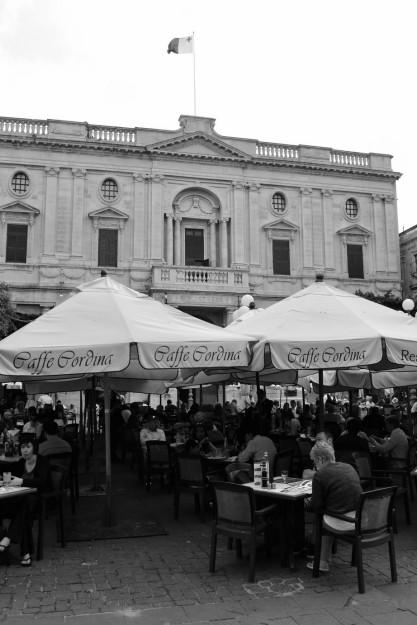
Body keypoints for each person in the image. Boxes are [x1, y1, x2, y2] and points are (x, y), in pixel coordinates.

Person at [305, 441, 362, 573]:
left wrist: (305, 502)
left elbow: (316, 506)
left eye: (314, 461)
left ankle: (321, 561)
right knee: (328, 511)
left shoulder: (321, 475)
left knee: (322, 515)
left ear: (320, 459)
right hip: (361, 517)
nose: (314, 465)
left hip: (345, 521)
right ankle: (325, 557)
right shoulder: (348, 467)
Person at [0, 433, 49, 566]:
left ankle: (8, 538)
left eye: (28, 447)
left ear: (34, 447)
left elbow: (42, 482)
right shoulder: (21, 462)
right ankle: (25, 555)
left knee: (25, 505)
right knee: (23, 511)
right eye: (22, 447)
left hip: (39, 500)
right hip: (22, 501)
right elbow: (8, 472)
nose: (25, 450)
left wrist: (22, 481)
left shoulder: (42, 461)